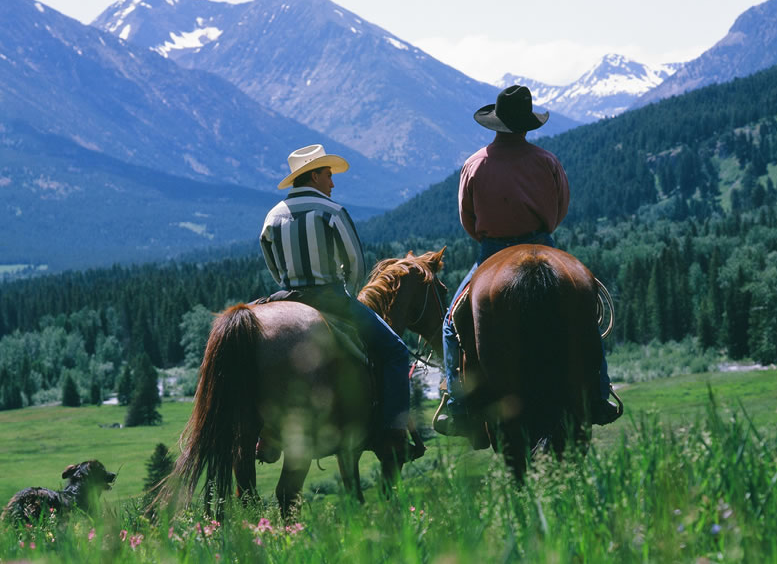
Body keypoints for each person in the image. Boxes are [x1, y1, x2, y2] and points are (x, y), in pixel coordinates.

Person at [433, 85, 619, 437]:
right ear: (528, 126)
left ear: (496, 124)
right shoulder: (547, 161)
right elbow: (560, 208)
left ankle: (457, 407)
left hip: (491, 250)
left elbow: (467, 218)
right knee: (587, 313)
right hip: (543, 242)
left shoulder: (474, 164)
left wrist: (493, 240)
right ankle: (599, 393)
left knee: (450, 323)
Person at [259, 143, 416, 460]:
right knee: (398, 352)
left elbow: (273, 264)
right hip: (330, 296)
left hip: (285, 295)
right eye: (328, 175)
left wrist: (289, 286)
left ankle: (263, 435)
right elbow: (355, 262)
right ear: (315, 175)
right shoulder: (332, 212)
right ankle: (393, 434)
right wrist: (348, 291)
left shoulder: (273, 216)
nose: (332, 182)